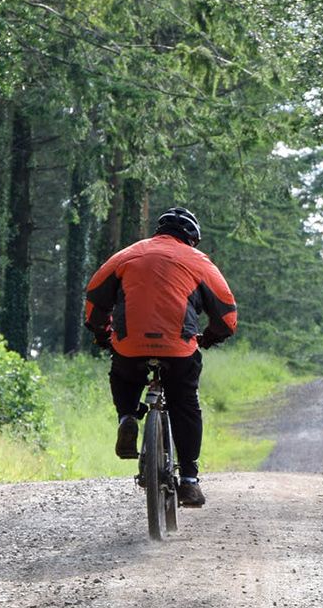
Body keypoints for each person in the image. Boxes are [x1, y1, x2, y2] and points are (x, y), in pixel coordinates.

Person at [82, 207, 237, 507]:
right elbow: (227, 315)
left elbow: (95, 297)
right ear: (192, 238)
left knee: (124, 375)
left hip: (130, 346)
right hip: (179, 350)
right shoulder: (199, 261)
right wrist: (210, 337)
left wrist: (103, 334)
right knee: (186, 403)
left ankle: (127, 416)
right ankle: (190, 482)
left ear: (159, 231)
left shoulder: (126, 255)